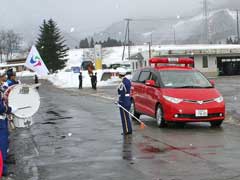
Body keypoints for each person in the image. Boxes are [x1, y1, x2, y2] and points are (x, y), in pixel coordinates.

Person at [117, 69, 132, 135]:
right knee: (127, 116)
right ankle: (129, 129)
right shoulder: (128, 81)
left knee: (124, 117)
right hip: (128, 99)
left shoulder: (122, 83)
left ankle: (126, 130)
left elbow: (122, 92)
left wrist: (120, 101)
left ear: (120, 74)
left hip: (123, 100)